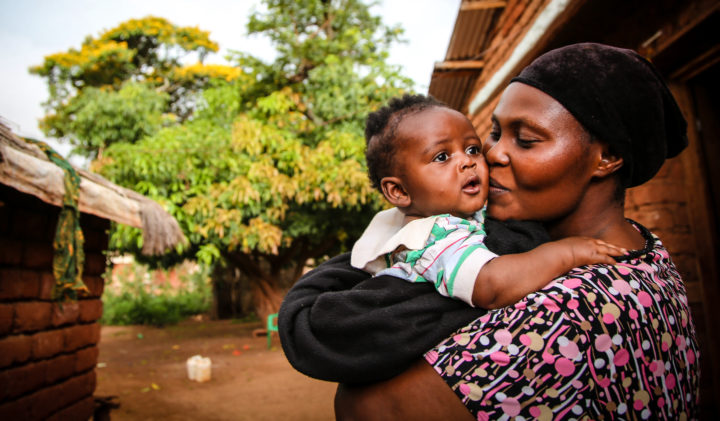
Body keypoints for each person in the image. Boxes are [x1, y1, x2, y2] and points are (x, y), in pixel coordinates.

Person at [279, 43, 700, 419]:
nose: (493, 153)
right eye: (495, 133)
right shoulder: (647, 250)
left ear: (606, 157)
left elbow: (365, 408)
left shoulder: (564, 310)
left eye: (527, 140)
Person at [353, 94, 625, 309]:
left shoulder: (453, 212)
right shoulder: (431, 239)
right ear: (399, 192)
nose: (467, 161)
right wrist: (567, 253)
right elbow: (490, 286)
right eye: (441, 157)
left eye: (472, 149)